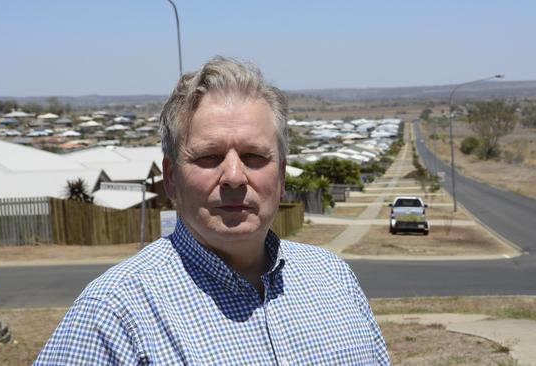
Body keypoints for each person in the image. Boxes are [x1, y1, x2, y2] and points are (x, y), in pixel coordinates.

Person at [35, 56, 390, 365]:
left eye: (254, 156)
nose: (234, 176)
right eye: (208, 157)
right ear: (171, 178)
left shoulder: (334, 280)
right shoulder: (115, 312)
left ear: (280, 176)